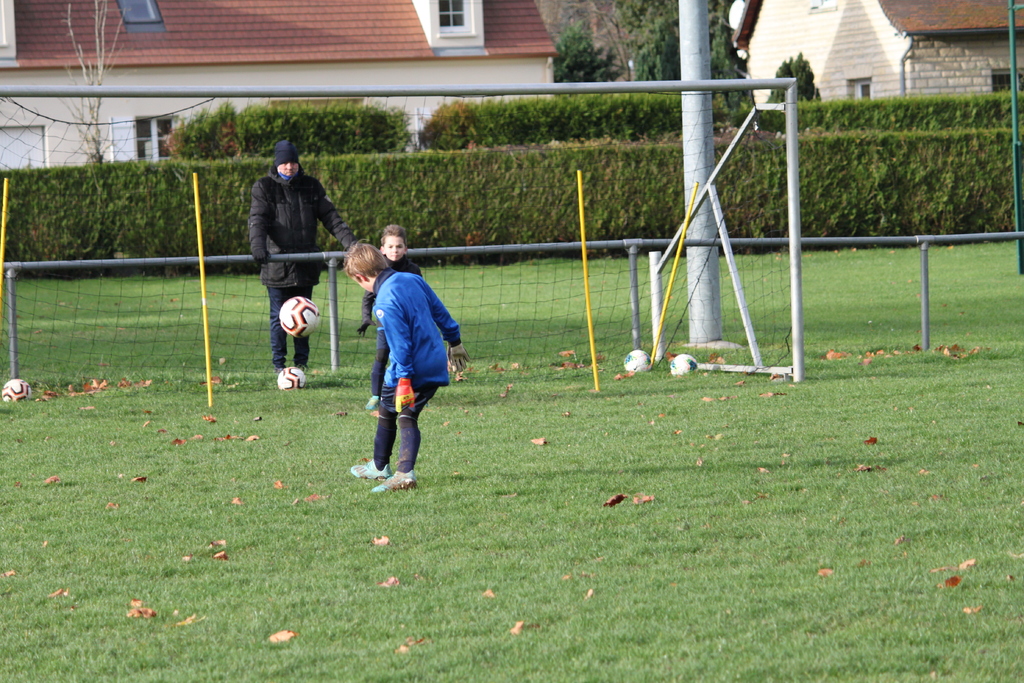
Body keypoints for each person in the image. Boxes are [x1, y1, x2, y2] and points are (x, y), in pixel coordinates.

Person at [344, 242, 470, 492]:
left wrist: (403, 380)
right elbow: (440, 311)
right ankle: (379, 466)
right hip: (433, 361)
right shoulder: (412, 279)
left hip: (411, 369)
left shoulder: (383, 303)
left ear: (360, 277)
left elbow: (401, 346)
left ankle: (404, 474)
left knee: (406, 415)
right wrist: (454, 340)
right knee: (387, 409)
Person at [248, 140, 356, 374]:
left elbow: (332, 218)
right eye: (285, 162)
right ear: (277, 163)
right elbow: (258, 219)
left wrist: (352, 244)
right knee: (278, 317)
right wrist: (257, 246)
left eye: (293, 162)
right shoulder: (264, 187)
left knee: (305, 316)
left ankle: (301, 365)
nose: (290, 166)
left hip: (306, 266)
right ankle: (279, 366)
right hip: (277, 266)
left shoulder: (312, 186)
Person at [357, 225, 422, 411]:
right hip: (384, 323)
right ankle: (376, 395)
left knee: (408, 356)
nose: (395, 250)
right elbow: (368, 297)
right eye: (391, 246)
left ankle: (412, 392)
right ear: (382, 249)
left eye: (399, 246)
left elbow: (422, 296)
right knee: (381, 356)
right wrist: (366, 318)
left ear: (405, 248)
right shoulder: (378, 270)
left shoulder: (413, 270)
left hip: (408, 324)